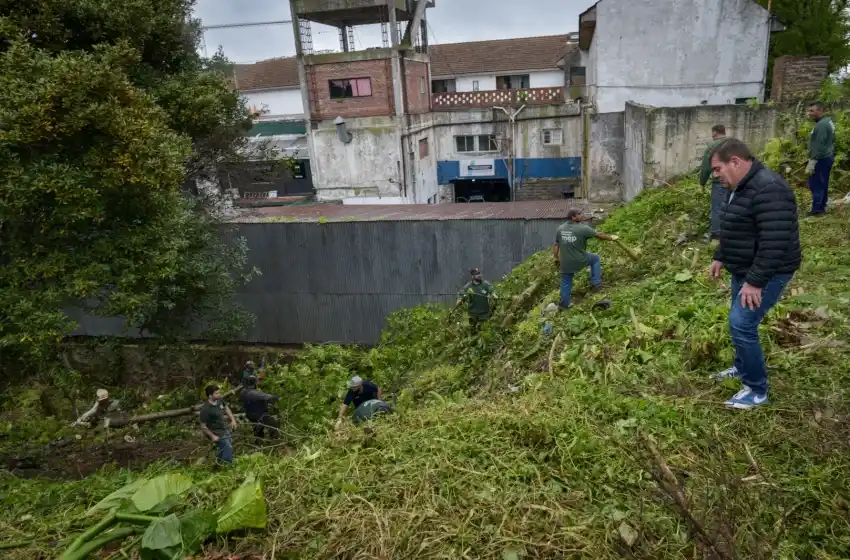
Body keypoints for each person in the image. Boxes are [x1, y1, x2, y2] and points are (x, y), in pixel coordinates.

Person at [708, 138, 801, 409]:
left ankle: (757, 389)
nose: (715, 175)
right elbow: (735, 225)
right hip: (745, 269)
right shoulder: (739, 186)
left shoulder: (769, 188)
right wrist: (720, 256)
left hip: (769, 271)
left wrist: (755, 282)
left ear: (735, 162)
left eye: (717, 169)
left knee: (741, 323)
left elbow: (775, 240)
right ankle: (742, 367)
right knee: (739, 323)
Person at [553, 209, 619, 309]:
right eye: (579, 214)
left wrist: (556, 258)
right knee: (595, 258)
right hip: (580, 259)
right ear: (573, 217)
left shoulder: (560, 229)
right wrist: (611, 237)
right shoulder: (583, 228)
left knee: (565, 283)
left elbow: (556, 244)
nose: (582, 215)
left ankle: (564, 305)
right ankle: (596, 283)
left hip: (565, 262)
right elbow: (599, 235)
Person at [806, 101, 835, 216]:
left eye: (812, 111)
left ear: (820, 111)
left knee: (816, 184)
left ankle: (817, 210)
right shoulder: (826, 122)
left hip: (821, 159)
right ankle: (821, 207)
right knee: (822, 183)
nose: (809, 113)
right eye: (809, 111)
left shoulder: (822, 125)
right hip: (826, 157)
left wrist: (813, 161)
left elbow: (819, 144)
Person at [700, 124, 728, 241]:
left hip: (720, 181)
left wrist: (702, 182)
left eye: (712, 133)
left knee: (717, 208)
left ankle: (716, 234)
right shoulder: (734, 143)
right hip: (735, 180)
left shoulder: (713, 145)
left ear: (715, 133)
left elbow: (706, 167)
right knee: (732, 205)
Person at [199, 385, 238, 464]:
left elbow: (226, 408)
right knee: (227, 446)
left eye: (219, 393)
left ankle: (218, 462)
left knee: (229, 442)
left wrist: (233, 420)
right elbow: (203, 426)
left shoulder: (220, 400)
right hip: (215, 431)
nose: (219, 394)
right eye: (217, 393)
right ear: (210, 396)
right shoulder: (205, 409)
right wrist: (213, 436)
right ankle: (227, 466)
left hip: (223, 428)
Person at [239, 375, 281, 441]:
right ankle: (275, 441)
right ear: (254, 382)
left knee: (258, 429)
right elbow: (267, 397)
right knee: (274, 424)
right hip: (259, 415)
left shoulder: (243, 391)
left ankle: (259, 441)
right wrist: (277, 397)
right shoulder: (253, 393)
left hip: (250, 414)